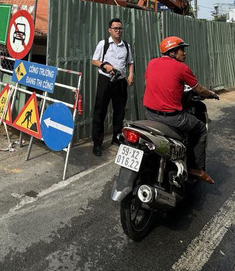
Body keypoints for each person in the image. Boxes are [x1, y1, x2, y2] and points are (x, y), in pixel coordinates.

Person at [143, 36, 219, 183]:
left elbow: (150, 83)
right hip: (172, 118)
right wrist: (211, 94)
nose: (184, 53)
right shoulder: (182, 68)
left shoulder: (152, 63)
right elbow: (199, 90)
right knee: (201, 129)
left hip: (150, 114)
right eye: (181, 50)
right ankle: (196, 168)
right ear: (172, 53)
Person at [90, 18, 134, 157]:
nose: (118, 31)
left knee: (119, 112)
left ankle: (117, 137)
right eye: (115, 28)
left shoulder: (126, 46)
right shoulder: (104, 44)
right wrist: (106, 66)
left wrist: (131, 75)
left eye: (120, 28)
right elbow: (94, 60)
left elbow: (130, 62)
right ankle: (97, 143)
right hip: (105, 81)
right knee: (100, 112)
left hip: (120, 82)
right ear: (110, 30)